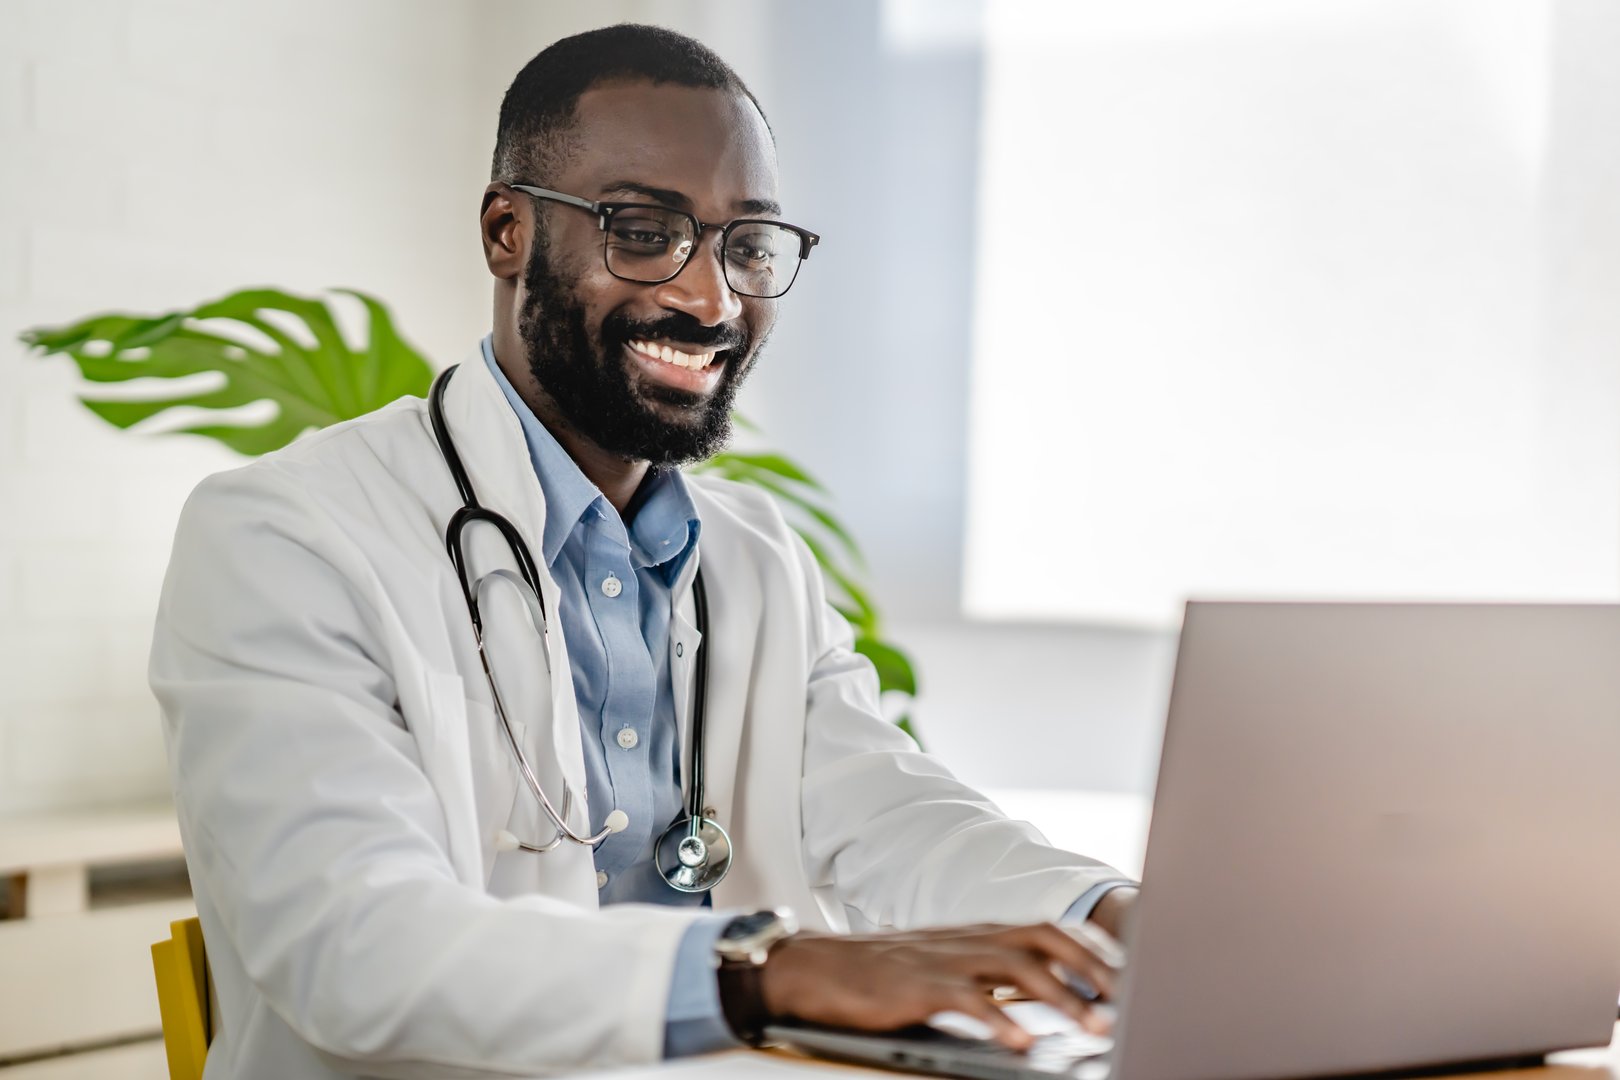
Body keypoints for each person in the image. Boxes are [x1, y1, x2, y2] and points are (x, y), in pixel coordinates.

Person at [150, 23, 1137, 1078]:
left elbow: (893, 814)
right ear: (506, 232)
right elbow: (354, 947)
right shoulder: (284, 536)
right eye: (642, 229)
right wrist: (773, 973)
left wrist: (1106, 913)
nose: (710, 298)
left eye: (748, 244)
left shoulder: (758, 560)